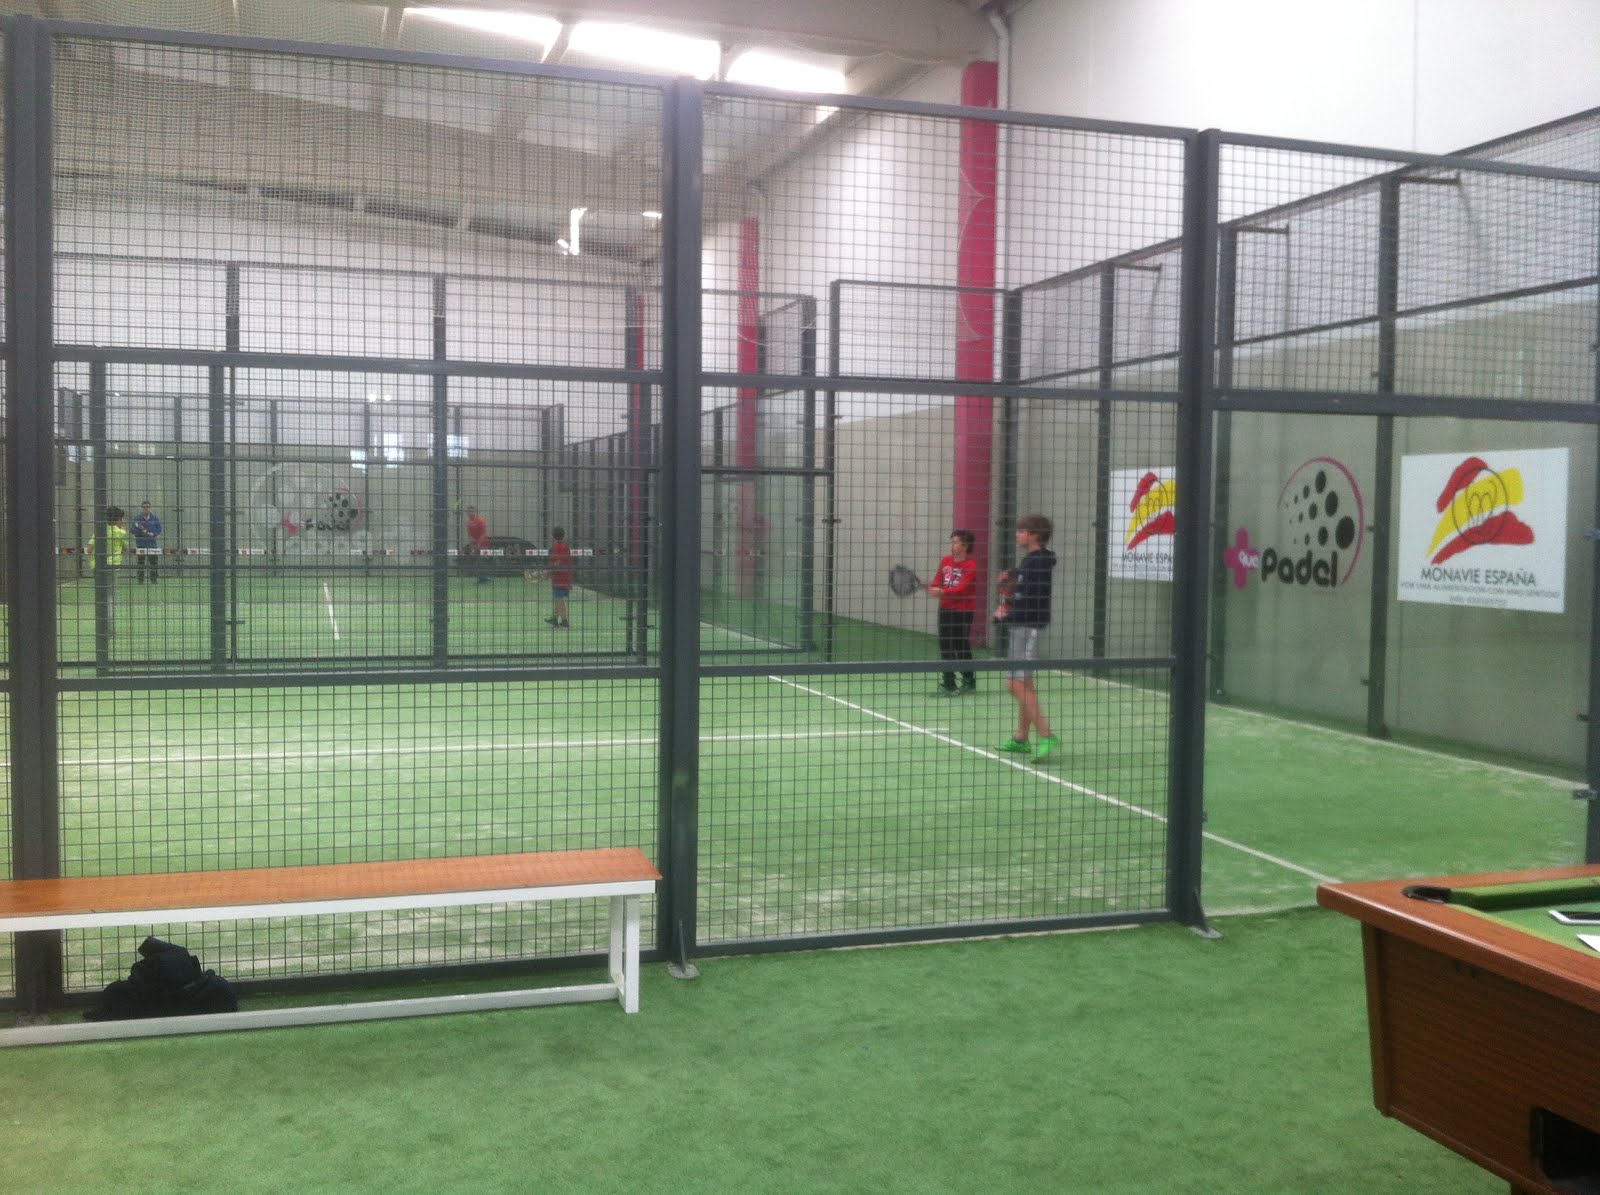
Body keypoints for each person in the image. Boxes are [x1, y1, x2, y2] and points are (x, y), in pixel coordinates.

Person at [994, 513, 1059, 761]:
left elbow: (1033, 599)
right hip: (1022, 625)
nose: (1017, 535)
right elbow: (1025, 581)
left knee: (1013, 683)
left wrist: (1005, 615)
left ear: (1035, 536)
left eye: (1022, 531)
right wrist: (1012, 574)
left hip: (1028, 627)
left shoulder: (1038, 561)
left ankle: (1047, 735)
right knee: (1026, 684)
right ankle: (1021, 738)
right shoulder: (1032, 561)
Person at [927, 529, 978, 695]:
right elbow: (938, 580)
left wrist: (942, 591)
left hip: (963, 611)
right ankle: (949, 684)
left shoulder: (970, 565)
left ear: (965, 545)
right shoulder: (946, 561)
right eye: (952, 542)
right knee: (946, 645)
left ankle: (969, 680)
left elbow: (961, 589)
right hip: (945, 609)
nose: (952, 545)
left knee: (961, 645)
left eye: (955, 542)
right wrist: (934, 586)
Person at [545, 527, 574, 628]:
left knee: (559, 599)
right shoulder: (566, 546)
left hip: (559, 578)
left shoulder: (556, 546)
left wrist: (548, 572)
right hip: (566, 576)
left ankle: (565, 621)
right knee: (557, 599)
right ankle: (554, 618)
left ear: (553, 535)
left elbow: (557, 562)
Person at [88, 505, 131, 571]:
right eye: (121, 519)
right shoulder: (121, 533)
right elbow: (126, 548)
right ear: (119, 519)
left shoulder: (100, 531)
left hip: (97, 565)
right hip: (113, 565)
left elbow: (89, 550)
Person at [132, 500, 162, 584]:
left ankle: (154, 579)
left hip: (152, 544)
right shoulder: (137, 519)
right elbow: (133, 530)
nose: (146, 509)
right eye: (144, 507)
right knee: (141, 562)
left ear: (150, 508)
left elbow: (159, 529)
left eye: (148, 507)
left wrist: (153, 533)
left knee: (153, 562)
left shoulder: (155, 518)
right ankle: (140, 580)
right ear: (142, 508)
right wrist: (141, 532)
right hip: (141, 544)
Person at [465, 505, 491, 584]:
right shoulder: (468, 523)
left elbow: (483, 534)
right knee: (477, 560)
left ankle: (483, 578)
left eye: (472, 511)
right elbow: (469, 535)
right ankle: (482, 578)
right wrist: (471, 545)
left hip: (484, 544)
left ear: (475, 512)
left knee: (482, 560)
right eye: (469, 511)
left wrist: (478, 545)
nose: (470, 513)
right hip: (475, 545)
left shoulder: (480, 521)